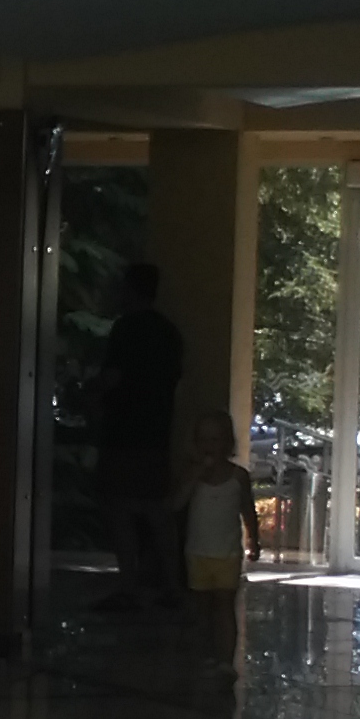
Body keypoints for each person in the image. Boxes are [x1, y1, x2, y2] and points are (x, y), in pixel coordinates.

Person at [99, 262, 184, 608]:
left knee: (119, 508)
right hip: (157, 432)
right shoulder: (169, 333)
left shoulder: (125, 330)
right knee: (156, 510)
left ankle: (128, 585)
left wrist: (94, 397)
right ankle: (172, 585)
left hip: (123, 431)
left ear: (130, 290)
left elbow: (112, 378)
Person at [171, 409, 258, 667]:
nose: (210, 446)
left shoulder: (238, 477)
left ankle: (225, 660)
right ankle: (204, 656)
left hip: (227, 554)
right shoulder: (192, 475)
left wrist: (254, 539)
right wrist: (194, 477)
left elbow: (248, 510)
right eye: (204, 440)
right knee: (201, 610)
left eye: (216, 439)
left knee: (224, 608)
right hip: (197, 552)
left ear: (227, 443)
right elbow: (176, 504)